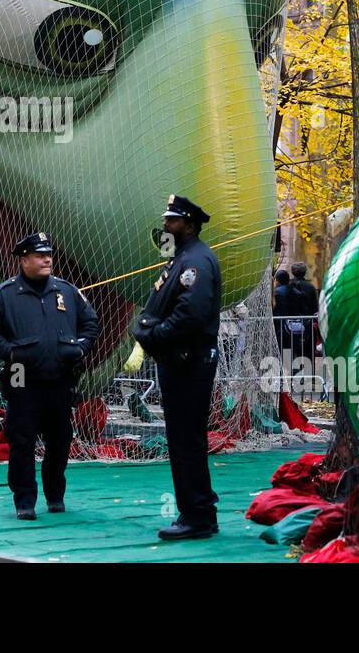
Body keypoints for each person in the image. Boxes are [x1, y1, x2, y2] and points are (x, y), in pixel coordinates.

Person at [0, 231, 100, 520]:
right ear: (23, 259)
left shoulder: (67, 291)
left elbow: (90, 322)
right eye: (40, 255)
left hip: (61, 379)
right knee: (22, 440)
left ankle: (55, 495)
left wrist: (80, 348)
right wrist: (11, 352)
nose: (47, 259)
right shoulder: (3, 295)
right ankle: (25, 500)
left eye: (49, 254)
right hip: (21, 378)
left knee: (60, 440)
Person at [132, 194, 222, 540]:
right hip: (180, 361)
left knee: (186, 440)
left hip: (189, 361)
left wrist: (154, 335)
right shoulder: (181, 258)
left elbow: (190, 314)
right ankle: (197, 510)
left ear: (188, 224)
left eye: (172, 220)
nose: (165, 225)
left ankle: (197, 515)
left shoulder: (195, 260)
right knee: (183, 439)